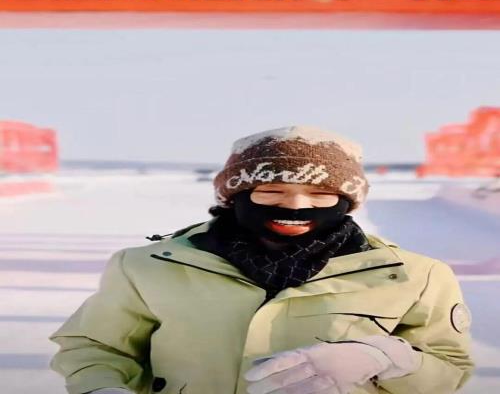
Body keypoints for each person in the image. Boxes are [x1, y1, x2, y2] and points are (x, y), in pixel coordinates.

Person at [49, 125, 474, 394]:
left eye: (321, 194)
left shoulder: (416, 276)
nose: (296, 206)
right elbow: (96, 347)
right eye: (271, 192)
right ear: (234, 196)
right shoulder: (148, 266)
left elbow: (448, 370)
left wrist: (388, 361)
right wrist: (101, 387)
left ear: (349, 201)